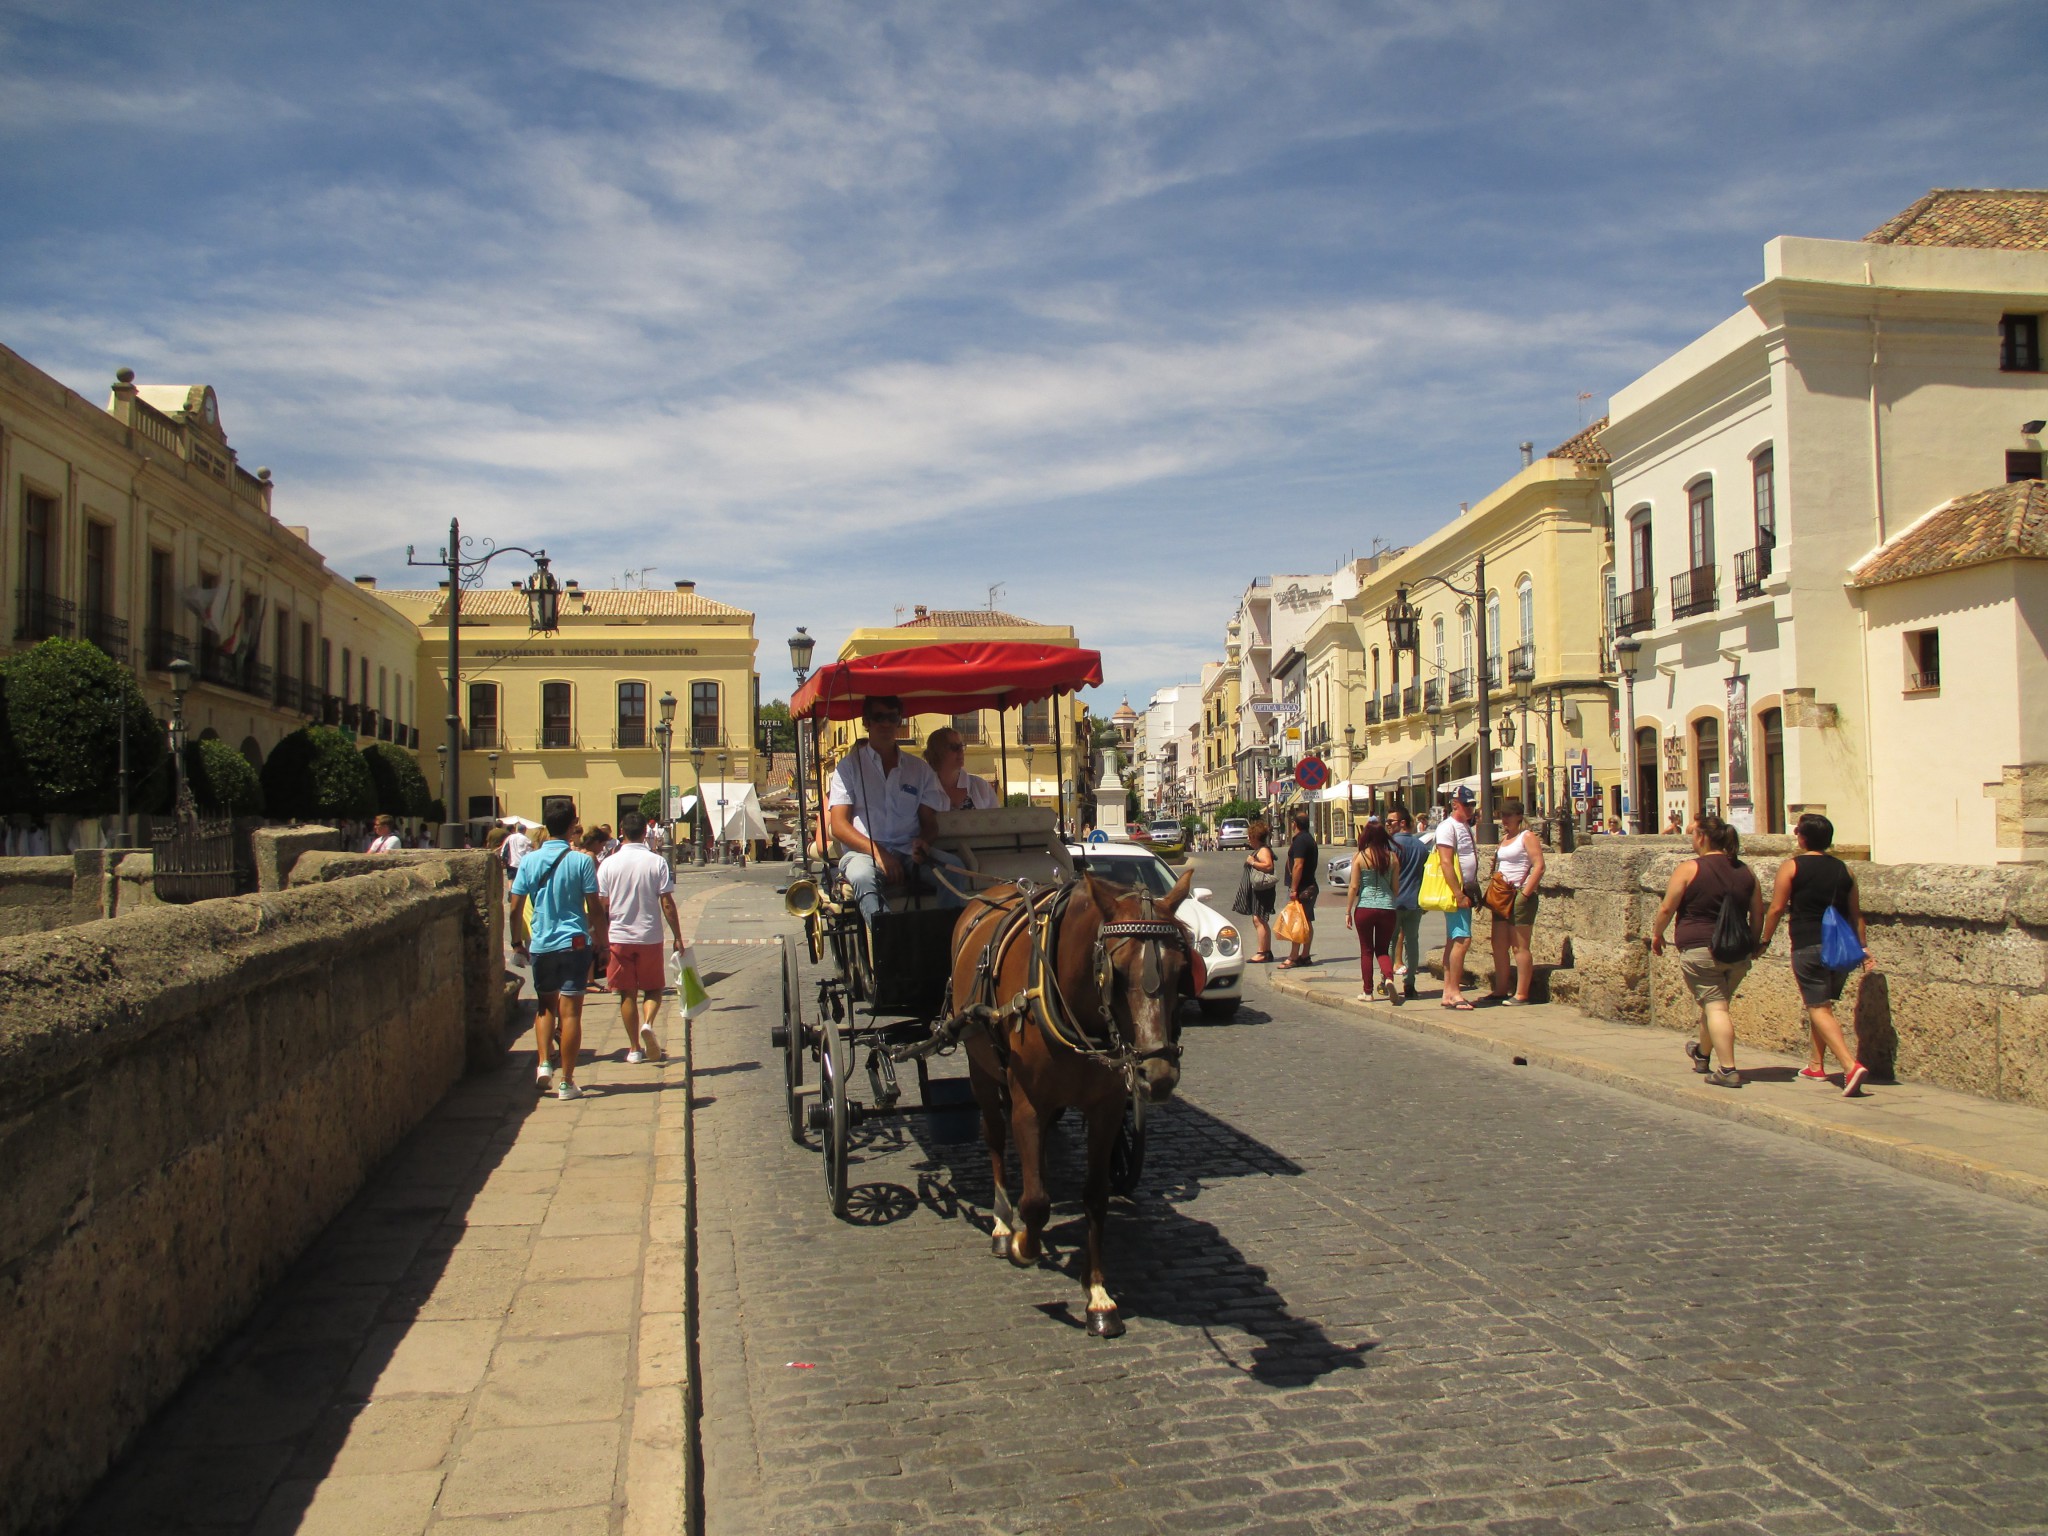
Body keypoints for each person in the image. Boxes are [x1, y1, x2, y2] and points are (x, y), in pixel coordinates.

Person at [1758, 813, 1874, 1097]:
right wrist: (1864, 949)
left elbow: (1776, 908)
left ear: (1802, 837)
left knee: (1817, 1006)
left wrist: (1764, 939)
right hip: (1841, 948)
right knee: (1822, 1005)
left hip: (1808, 943)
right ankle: (1816, 1065)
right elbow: (1856, 913)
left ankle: (1849, 1065)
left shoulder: (1792, 866)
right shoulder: (1844, 870)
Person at [1649, 812, 1764, 1089]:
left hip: (1700, 947)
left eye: (1693, 833)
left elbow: (1667, 907)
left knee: (1715, 1006)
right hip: (1737, 952)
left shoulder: (1690, 869)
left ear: (1701, 836)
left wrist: (1656, 934)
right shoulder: (1745, 871)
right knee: (1716, 1005)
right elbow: (1758, 912)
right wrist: (1756, 943)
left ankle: (1728, 1069)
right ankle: (1702, 1054)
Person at [826, 695, 965, 923]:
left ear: (899, 721)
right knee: (862, 876)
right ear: (867, 721)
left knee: (954, 868)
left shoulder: (918, 770)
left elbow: (929, 822)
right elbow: (839, 825)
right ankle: (887, 946)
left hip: (908, 852)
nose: (886, 724)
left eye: (892, 717)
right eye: (879, 717)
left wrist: (923, 842)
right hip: (864, 853)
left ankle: (948, 942)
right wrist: (879, 854)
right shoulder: (849, 767)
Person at [508, 803, 605, 1100]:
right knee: (572, 1012)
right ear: (573, 823)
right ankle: (567, 1081)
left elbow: (514, 907)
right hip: (574, 942)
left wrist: (516, 942)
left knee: (545, 1006)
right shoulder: (581, 861)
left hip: (541, 942)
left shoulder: (529, 861)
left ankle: (543, 1064)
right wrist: (603, 941)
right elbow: (594, 906)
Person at [596, 812, 684, 1066]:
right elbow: (666, 902)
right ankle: (648, 1023)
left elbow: (602, 904)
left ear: (622, 831)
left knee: (626, 994)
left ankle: (634, 1048)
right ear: (646, 832)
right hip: (649, 935)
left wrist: (601, 937)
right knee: (654, 988)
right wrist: (678, 936)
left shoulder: (609, 864)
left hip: (619, 936)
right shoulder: (656, 862)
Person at [1486, 798, 1545, 1005]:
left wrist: (1526, 893)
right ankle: (1501, 989)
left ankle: (1522, 993)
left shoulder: (1526, 836)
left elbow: (1539, 865)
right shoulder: (1505, 838)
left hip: (1519, 895)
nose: (1504, 819)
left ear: (1519, 816)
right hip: (1502, 896)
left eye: (1508, 815)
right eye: (1502, 815)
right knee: (1499, 944)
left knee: (1520, 947)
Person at [1345, 816, 1400, 1002]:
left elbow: (1353, 887)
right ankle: (1389, 978)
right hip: (1387, 908)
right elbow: (1395, 888)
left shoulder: (1360, 857)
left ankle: (1368, 992)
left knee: (1366, 950)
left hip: (1365, 908)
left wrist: (1348, 911)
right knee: (1382, 950)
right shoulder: (1392, 857)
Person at [1434, 787, 1479, 1009]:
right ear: (1455, 804)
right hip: (1457, 891)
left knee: (1454, 939)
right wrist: (1458, 893)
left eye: (1472, 804)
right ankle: (1454, 992)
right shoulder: (1447, 827)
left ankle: (1447, 991)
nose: (1470, 808)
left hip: (1466, 889)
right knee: (1462, 939)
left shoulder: (1465, 827)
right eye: (1466, 804)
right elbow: (1445, 862)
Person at [1387, 806, 1427, 1002]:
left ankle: (1387, 980)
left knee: (1389, 941)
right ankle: (1410, 983)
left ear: (1402, 823)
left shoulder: (1391, 845)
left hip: (1393, 901)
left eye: (1390, 822)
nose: (1387, 825)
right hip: (1414, 901)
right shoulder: (1421, 847)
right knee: (1412, 941)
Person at [1278, 810, 1319, 970]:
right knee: (1306, 921)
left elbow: (1298, 865)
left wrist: (1294, 889)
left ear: (1294, 824)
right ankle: (1305, 955)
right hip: (1310, 886)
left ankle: (1294, 957)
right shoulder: (1309, 839)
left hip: (1303, 888)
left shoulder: (1301, 841)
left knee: (1297, 922)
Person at [924, 727, 998, 810]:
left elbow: (996, 819)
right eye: (954, 747)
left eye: (962, 746)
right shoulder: (925, 789)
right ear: (938, 752)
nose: (961, 751)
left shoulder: (980, 786)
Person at [1235, 819, 1277, 961]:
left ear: (1255, 837)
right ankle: (1266, 951)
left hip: (1262, 890)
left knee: (1259, 919)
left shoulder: (1263, 850)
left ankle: (1262, 953)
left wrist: (1253, 862)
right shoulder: (1260, 850)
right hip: (1259, 890)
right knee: (1259, 919)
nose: (1248, 839)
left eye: (1250, 836)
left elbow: (1268, 866)